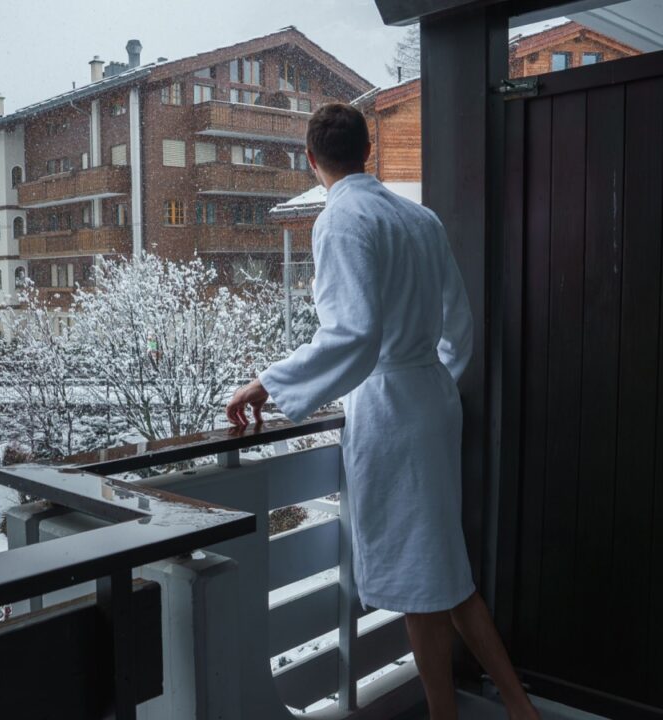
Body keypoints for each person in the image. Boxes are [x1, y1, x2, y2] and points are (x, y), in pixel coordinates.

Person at [225, 104, 539, 720]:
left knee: (429, 578)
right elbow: (459, 326)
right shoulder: (419, 217)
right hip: (429, 400)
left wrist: (267, 383)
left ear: (312, 160)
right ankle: (517, 708)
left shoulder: (341, 218)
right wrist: (431, 381)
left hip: (393, 408)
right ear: (366, 150)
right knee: (442, 569)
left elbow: (353, 336)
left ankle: (455, 713)